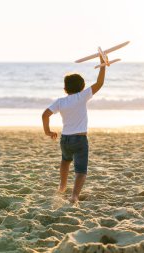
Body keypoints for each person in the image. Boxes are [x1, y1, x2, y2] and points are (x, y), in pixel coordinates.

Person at [42, 55, 106, 204]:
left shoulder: (61, 101)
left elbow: (45, 115)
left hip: (65, 139)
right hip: (80, 139)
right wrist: (102, 66)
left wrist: (48, 131)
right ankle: (74, 195)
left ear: (65, 88)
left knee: (65, 161)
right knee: (81, 170)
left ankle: (62, 187)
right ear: (82, 87)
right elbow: (100, 83)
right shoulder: (82, 96)